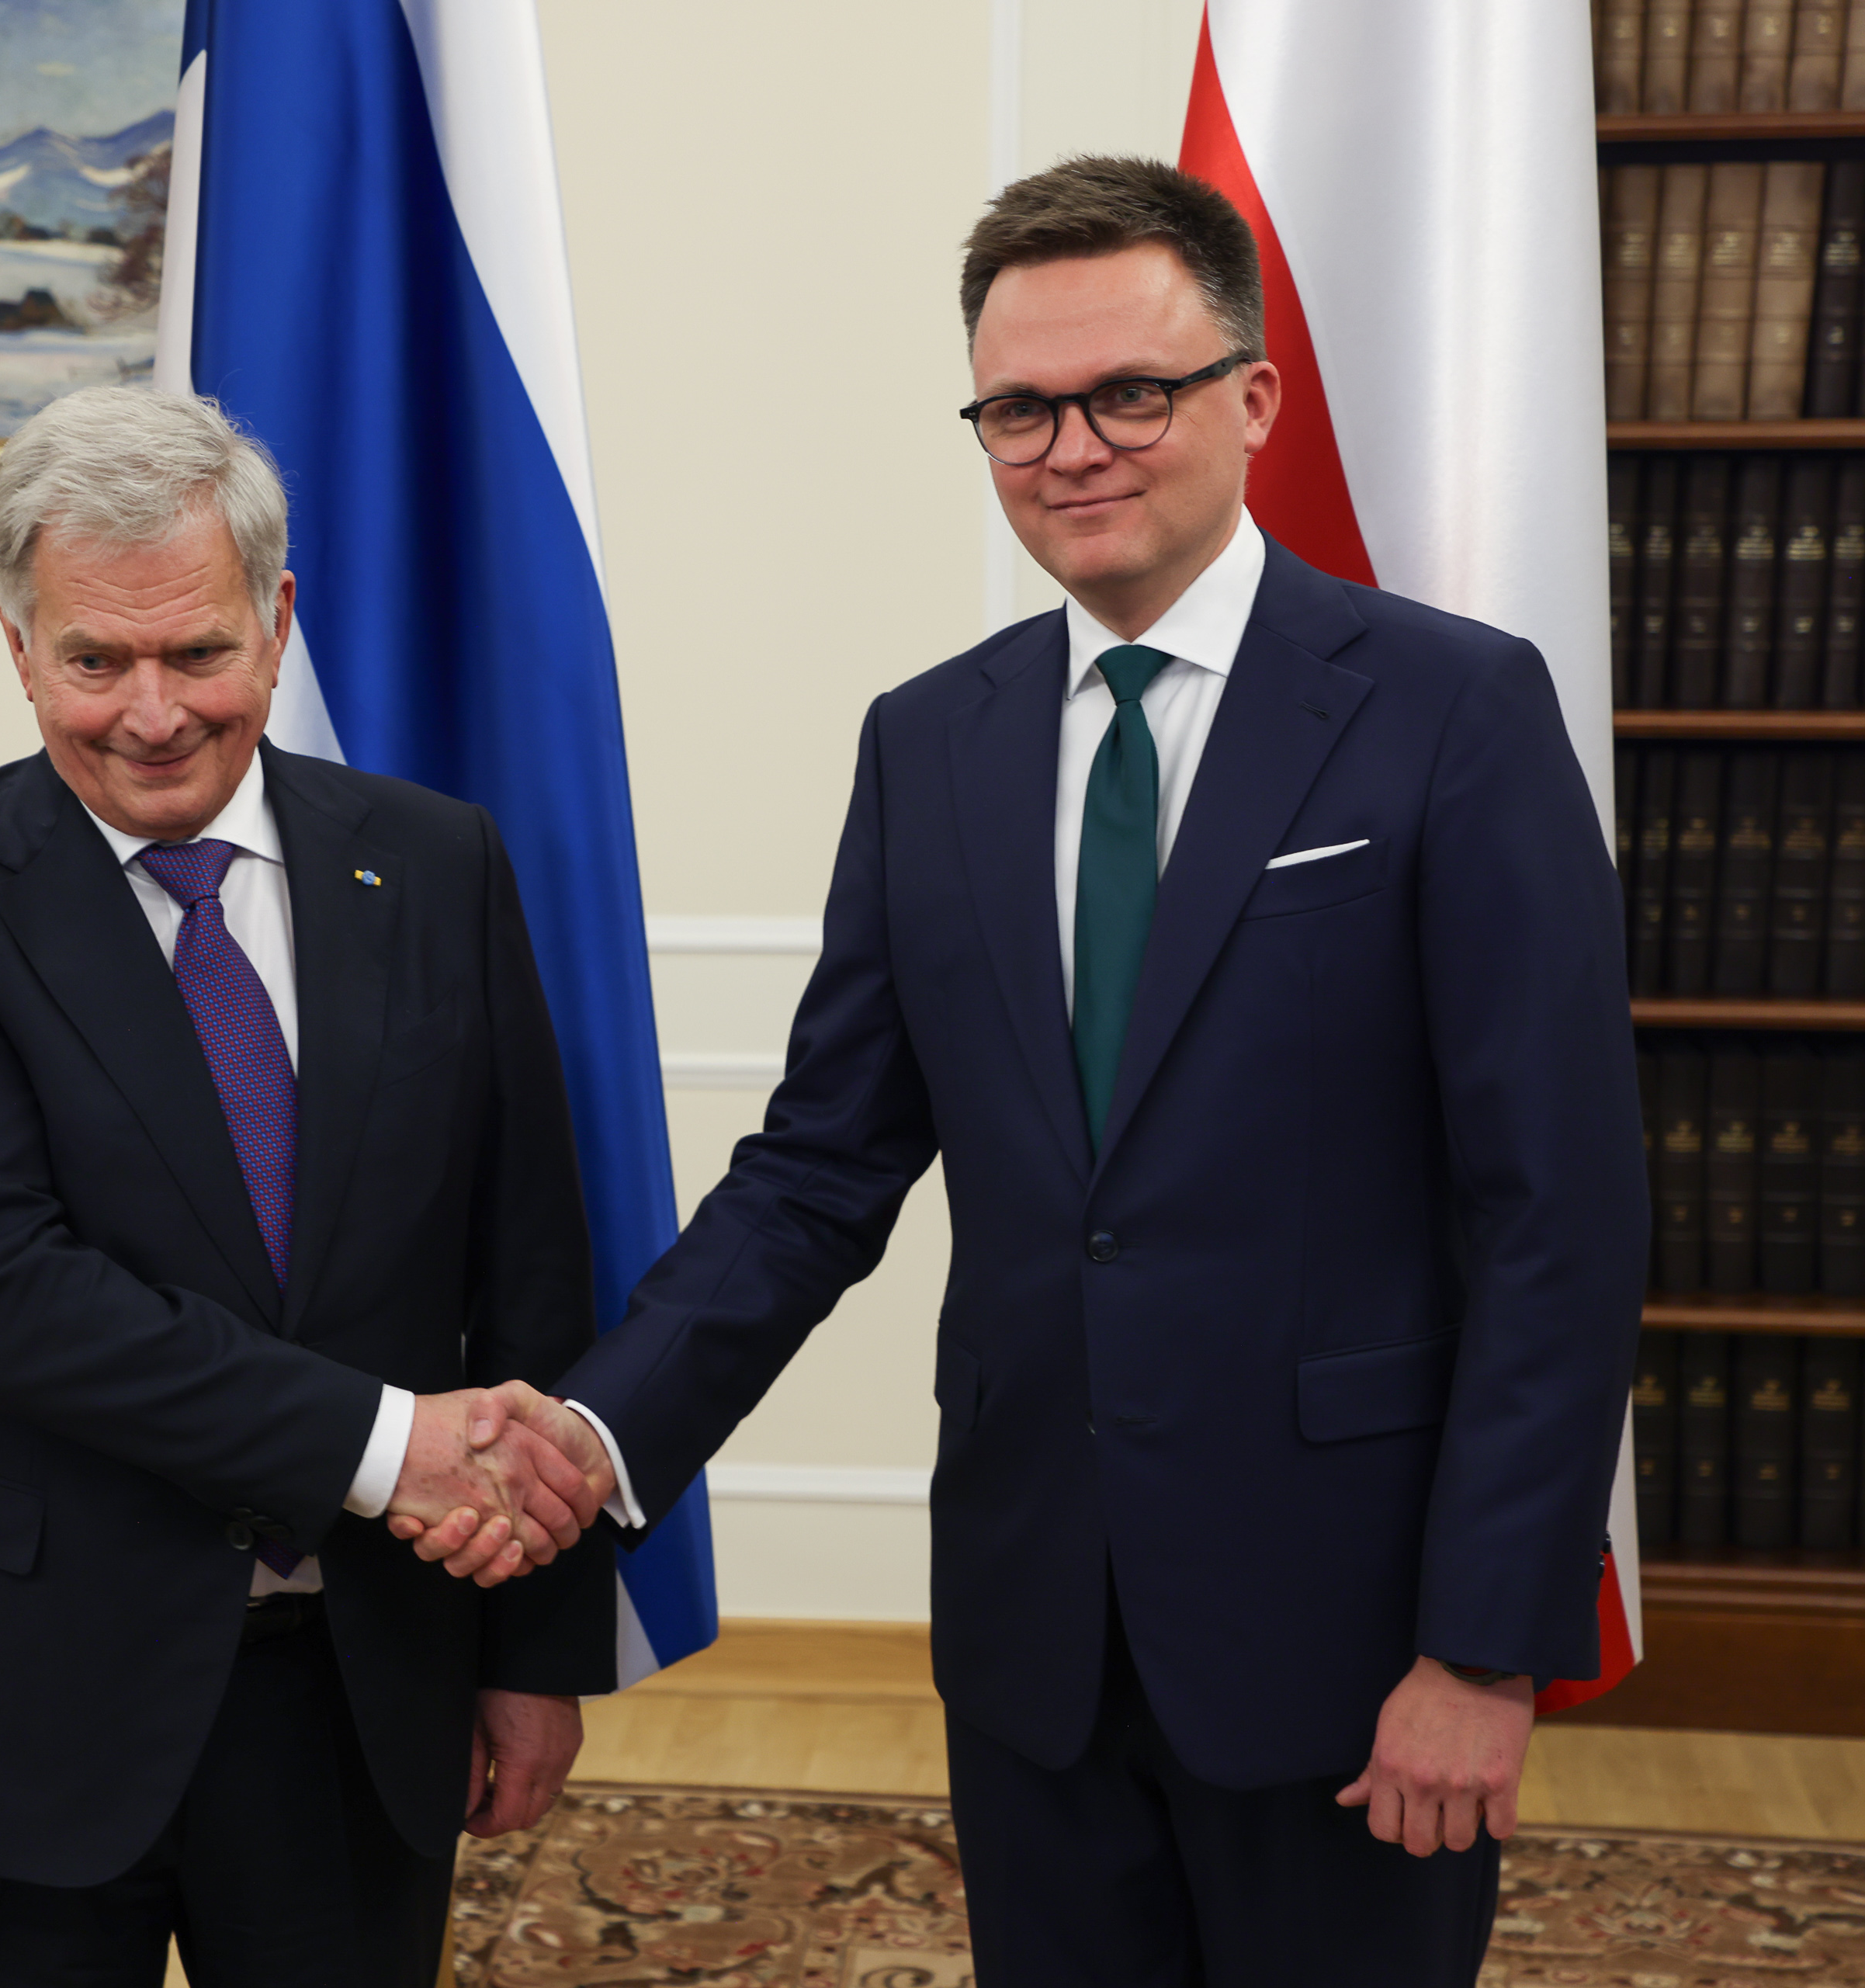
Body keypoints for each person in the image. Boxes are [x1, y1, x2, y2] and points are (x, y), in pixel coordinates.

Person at [406, 155, 1647, 1984]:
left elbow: (1559, 1214)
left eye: (1127, 393)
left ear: (1251, 398)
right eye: (1018, 408)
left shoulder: (1452, 710)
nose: (1071, 448)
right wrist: (595, 1435)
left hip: (1349, 1627)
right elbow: (822, 1167)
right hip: (1034, 1629)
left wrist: (1483, 1649)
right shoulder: (934, 743)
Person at [0, 383, 615, 1988]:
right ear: (20, 646)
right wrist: (390, 1446)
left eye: (196, 653)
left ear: (277, 620)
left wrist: (537, 1653)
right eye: (93, 659)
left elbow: (525, 1269)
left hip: (361, 1683)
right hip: (31, 1700)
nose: (150, 711)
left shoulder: (438, 861)